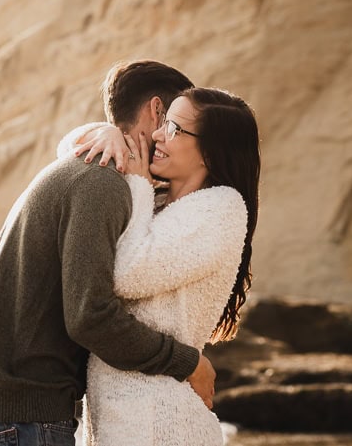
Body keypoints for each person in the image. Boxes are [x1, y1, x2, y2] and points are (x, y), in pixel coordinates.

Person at [0, 60, 217, 446]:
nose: (173, 138)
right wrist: (188, 363)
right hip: (22, 415)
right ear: (156, 110)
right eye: (173, 125)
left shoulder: (86, 166)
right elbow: (89, 316)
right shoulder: (101, 183)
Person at [69, 86, 261, 446]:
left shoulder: (221, 209)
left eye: (173, 129)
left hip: (160, 424)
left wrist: (139, 186)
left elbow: (126, 273)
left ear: (210, 152)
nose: (157, 133)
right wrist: (106, 132)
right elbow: (74, 158)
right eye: (163, 122)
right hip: (126, 418)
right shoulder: (157, 201)